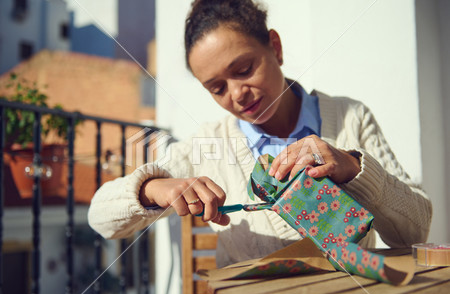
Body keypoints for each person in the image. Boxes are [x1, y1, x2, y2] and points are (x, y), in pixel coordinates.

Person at [88, 0, 432, 268]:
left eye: (244, 69)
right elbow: (100, 218)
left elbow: (415, 230)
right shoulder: (208, 146)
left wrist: (354, 168)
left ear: (275, 48)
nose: (237, 94)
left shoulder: (350, 118)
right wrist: (152, 188)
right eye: (217, 87)